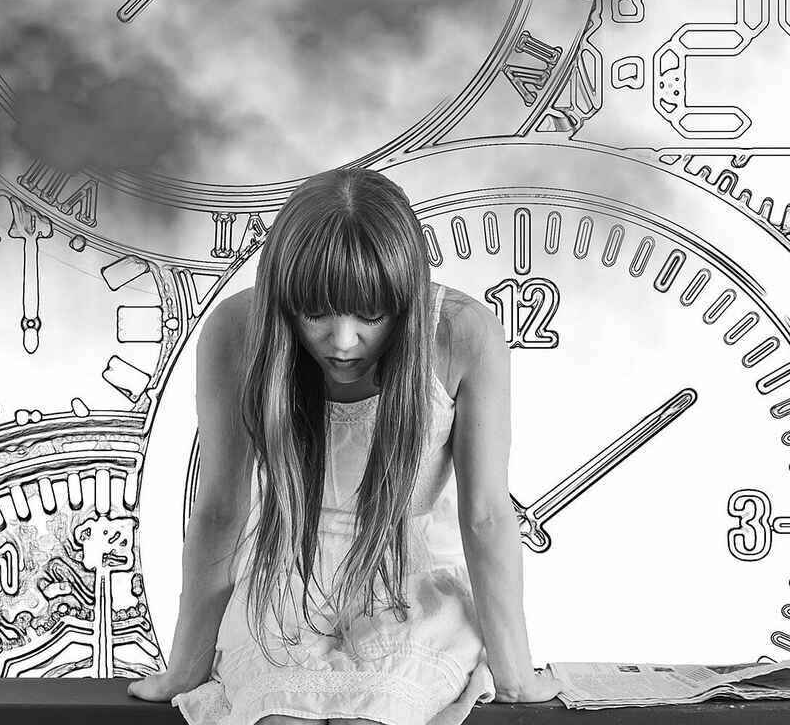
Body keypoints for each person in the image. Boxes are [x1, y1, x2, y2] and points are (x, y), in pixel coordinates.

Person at [128, 167, 560, 724]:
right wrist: (183, 672)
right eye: (316, 314)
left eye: (371, 315)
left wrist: (516, 677)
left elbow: (486, 516)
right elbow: (219, 509)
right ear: (285, 298)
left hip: (412, 588)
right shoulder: (237, 328)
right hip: (282, 585)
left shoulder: (461, 331)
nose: (344, 341)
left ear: (404, 300)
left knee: (377, 716)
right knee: (277, 716)